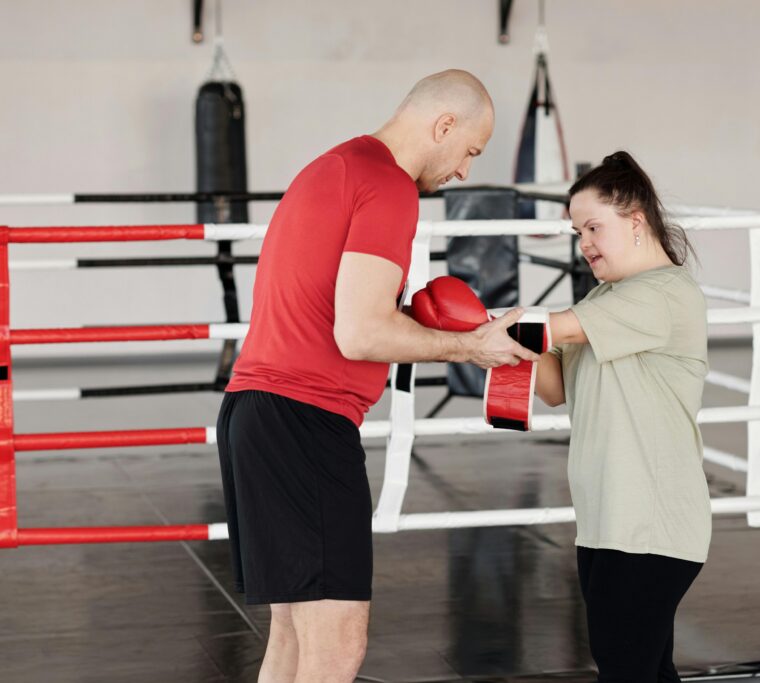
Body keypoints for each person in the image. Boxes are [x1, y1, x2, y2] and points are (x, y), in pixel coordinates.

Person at [216, 69, 538, 683]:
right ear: (443, 125)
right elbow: (359, 334)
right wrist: (469, 346)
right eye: (469, 150)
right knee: (337, 647)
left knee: (293, 638)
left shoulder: (334, 166)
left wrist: (405, 315)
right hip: (302, 421)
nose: (465, 171)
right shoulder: (389, 186)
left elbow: (342, 313)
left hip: (256, 412)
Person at [537, 151, 710, 682]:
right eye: (577, 231)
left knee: (625, 669)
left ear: (635, 220)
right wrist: (507, 344)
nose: (583, 243)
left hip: (649, 523)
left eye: (593, 227)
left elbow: (550, 329)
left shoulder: (665, 294)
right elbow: (552, 389)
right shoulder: (603, 298)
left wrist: (476, 329)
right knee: (646, 670)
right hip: (606, 519)